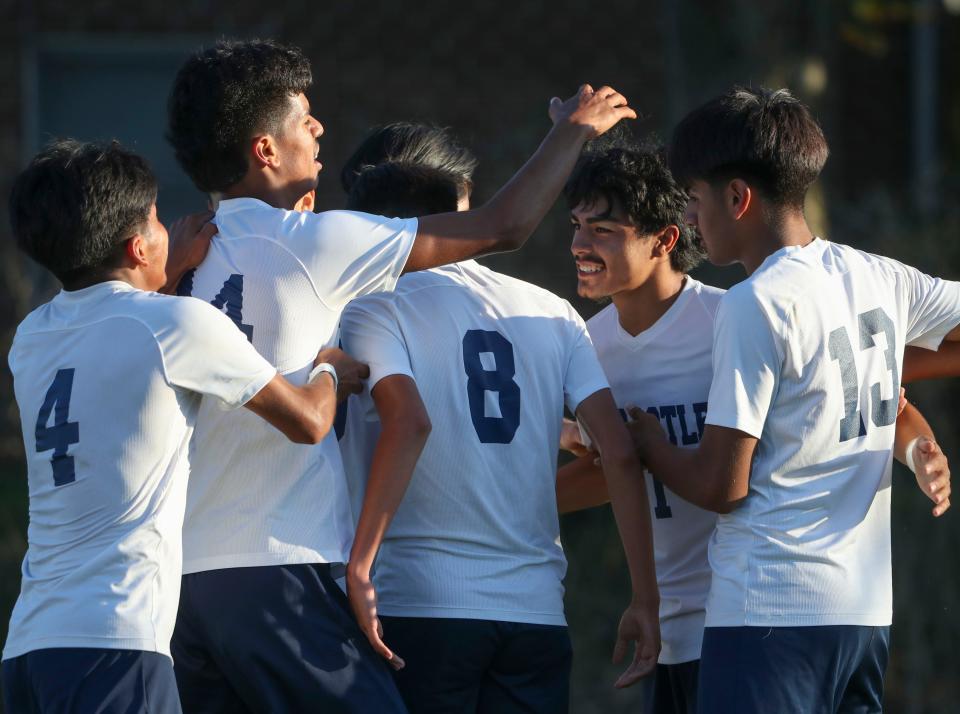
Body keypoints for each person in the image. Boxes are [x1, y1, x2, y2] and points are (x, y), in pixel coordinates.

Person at [165, 38, 637, 712]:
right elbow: (505, 225)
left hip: (187, 582)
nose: (320, 127)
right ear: (265, 150)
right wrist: (570, 134)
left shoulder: (174, 264)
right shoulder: (319, 241)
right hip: (285, 571)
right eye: (305, 118)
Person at [553, 134, 953, 714]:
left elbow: (865, 385)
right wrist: (516, 501)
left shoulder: (733, 315)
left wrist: (918, 445)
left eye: (602, 230)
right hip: (669, 629)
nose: (579, 245)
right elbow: (616, 467)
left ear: (665, 239)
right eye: (576, 226)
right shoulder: (586, 348)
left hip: (747, 616)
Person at [1, 140, 365, 713]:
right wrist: (329, 369)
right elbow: (309, 421)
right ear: (137, 244)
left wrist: (167, 273)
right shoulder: (177, 323)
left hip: (28, 648)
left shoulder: (32, 336)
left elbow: (121, 332)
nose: (172, 226)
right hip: (117, 644)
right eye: (155, 218)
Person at [337, 126, 659, 714]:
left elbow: (410, 423)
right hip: (534, 611)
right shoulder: (554, 311)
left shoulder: (371, 308)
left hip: (416, 604)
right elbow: (616, 452)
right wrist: (646, 598)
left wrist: (356, 563)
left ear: (375, 230)